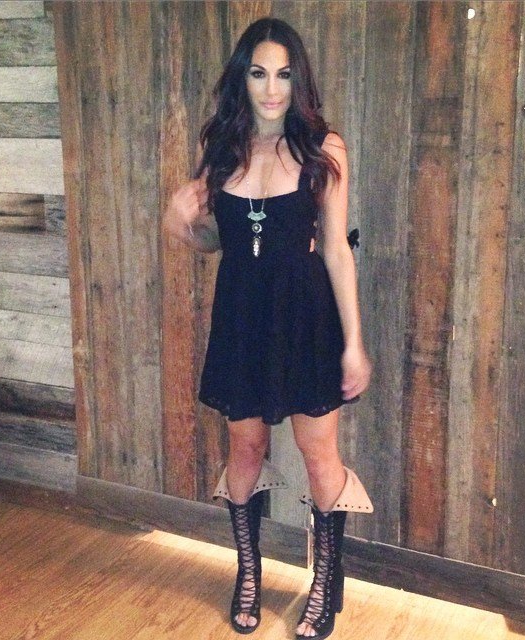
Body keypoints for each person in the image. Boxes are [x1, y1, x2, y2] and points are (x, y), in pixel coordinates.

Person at [162, 17, 374, 640]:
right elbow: (215, 241)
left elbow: (336, 250)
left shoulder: (324, 149)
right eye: (259, 73)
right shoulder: (224, 149)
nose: (272, 88)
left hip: (307, 317)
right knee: (246, 450)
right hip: (242, 316)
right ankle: (249, 574)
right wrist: (182, 223)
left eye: (283, 74)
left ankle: (325, 583)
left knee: (318, 455)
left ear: (297, 79)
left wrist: (354, 344)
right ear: (243, 79)